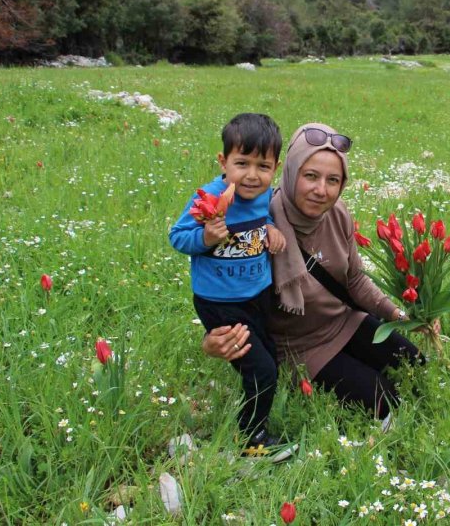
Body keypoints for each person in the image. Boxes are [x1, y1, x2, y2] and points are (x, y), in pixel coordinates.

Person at [203, 123, 423, 425]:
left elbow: (355, 280)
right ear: (292, 172)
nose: (321, 190)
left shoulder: (338, 214)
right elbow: (230, 292)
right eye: (311, 176)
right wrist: (212, 340)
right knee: (385, 400)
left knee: (418, 366)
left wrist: (400, 316)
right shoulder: (259, 225)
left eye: (333, 180)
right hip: (299, 347)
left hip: (344, 321)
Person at [169, 113, 289, 456]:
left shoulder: (262, 195)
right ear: (223, 161)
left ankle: (254, 410)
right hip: (221, 301)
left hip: (258, 294)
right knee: (261, 369)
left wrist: (270, 228)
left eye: (263, 166)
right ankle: (251, 438)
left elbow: (261, 217)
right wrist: (205, 236)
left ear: (275, 168)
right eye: (242, 163)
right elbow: (178, 237)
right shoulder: (208, 197)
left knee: (269, 358)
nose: (252, 175)